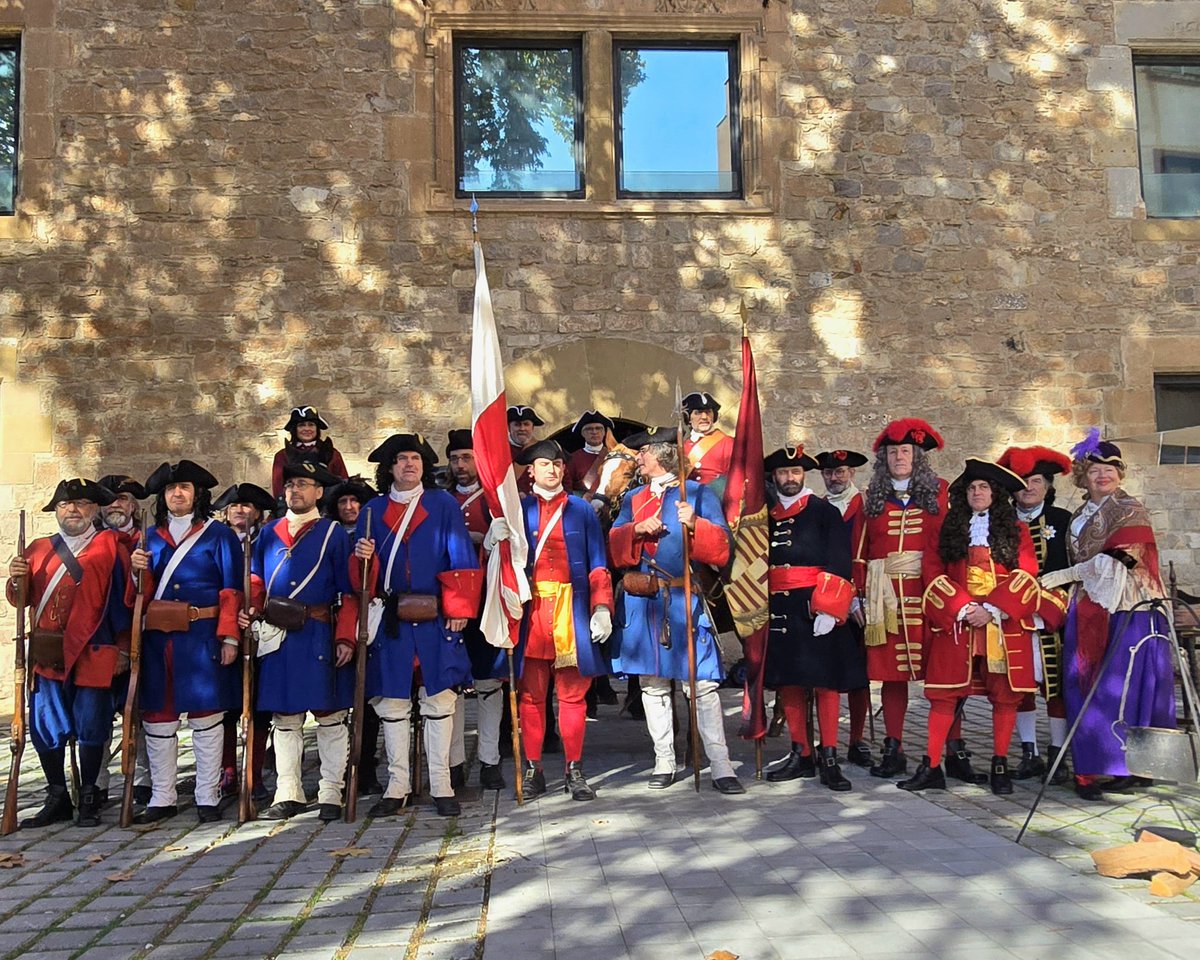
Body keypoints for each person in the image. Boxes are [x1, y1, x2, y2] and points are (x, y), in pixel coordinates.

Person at [608, 426, 744, 794]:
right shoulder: (633, 497)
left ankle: (721, 765)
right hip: (644, 600)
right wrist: (636, 529)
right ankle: (664, 760)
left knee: (701, 686)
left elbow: (722, 550)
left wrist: (695, 524)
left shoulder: (696, 494)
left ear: (663, 455)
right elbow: (615, 544)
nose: (639, 459)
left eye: (644, 453)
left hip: (684, 599)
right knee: (652, 685)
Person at [1040, 434, 1175, 802]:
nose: (1103, 476)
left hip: (1128, 608)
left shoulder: (1129, 509)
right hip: (1088, 608)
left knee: (1128, 686)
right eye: (1095, 470)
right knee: (1084, 684)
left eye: (1110, 470)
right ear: (1082, 476)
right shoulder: (1079, 517)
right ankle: (1094, 765)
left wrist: (1068, 575)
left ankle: (1137, 766)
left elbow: (1127, 559)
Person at [352, 433, 481, 817]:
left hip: (437, 615)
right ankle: (398, 785)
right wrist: (364, 558)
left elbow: (460, 556)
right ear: (389, 468)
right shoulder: (371, 511)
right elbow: (361, 580)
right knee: (391, 701)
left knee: (440, 698)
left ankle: (441, 784)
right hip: (392, 619)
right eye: (402, 459)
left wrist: (459, 606)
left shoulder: (442, 504)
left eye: (415, 459)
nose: (410, 464)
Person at [900, 459, 1040, 795]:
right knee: (943, 696)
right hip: (958, 623)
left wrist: (992, 609)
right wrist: (963, 607)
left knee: (1005, 698)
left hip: (1001, 624)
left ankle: (999, 766)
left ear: (996, 494)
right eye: (972, 488)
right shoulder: (946, 528)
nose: (977, 492)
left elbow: (1027, 574)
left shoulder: (1017, 531)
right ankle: (932, 765)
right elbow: (932, 574)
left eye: (984, 488)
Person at [486, 439, 613, 801]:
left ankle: (574, 768)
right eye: (545, 465)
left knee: (573, 697)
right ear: (531, 471)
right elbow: (502, 567)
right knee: (531, 697)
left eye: (558, 464)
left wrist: (601, 607)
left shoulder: (582, 511)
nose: (553, 470)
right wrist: (491, 544)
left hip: (571, 610)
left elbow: (597, 561)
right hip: (531, 612)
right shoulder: (518, 510)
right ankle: (533, 767)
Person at [6, 479, 132, 827]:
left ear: (94, 510)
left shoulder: (111, 547)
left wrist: (123, 649)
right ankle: (57, 794)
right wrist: (16, 579)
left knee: (92, 724)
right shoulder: (37, 549)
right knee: (44, 725)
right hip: (48, 653)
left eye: (79, 504)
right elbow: (21, 600)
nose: (72, 510)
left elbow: (126, 603)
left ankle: (89, 795)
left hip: (94, 650)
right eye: (64, 505)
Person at [242, 461, 357, 821]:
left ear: (318, 492)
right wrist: (250, 608)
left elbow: (349, 592)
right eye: (290, 484)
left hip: (319, 633)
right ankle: (288, 790)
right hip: (278, 636)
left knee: (329, 716)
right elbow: (257, 579)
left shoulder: (333, 534)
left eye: (304, 484)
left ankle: (330, 792)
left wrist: (345, 638)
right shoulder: (268, 532)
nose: (295, 490)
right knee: (285, 717)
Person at [130, 460, 243, 823]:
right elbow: (136, 598)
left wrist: (229, 636)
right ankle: (162, 796)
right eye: (171, 489)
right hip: (157, 641)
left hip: (201, 638)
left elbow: (231, 591)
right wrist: (135, 572)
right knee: (159, 719)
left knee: (206, 717)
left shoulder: (219, 535)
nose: (177, 494)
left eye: (185, 488)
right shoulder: (147, 538)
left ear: (197, 495)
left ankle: (207, 795)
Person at [762, 446, 865, 792]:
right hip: (779, 607)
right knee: (789, 682)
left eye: (795, 472)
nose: (789, 479)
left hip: (815, 606)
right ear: (774, 477)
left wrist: (829, 608)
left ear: (804, 475)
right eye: (783, 473)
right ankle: (801, 753)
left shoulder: (824, 512)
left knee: (826, 683)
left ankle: (830, 756)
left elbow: (839, 561)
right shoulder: (767, 515)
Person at [854, 418, 952, 779]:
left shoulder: (940, 492)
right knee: (891, 677)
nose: (899, 457)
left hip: (929, 597)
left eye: (906, 451)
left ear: (917, 456)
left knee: (943, 679)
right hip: (884, 599)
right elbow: (860, 551)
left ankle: (948, 750)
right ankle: (893, 747)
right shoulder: (873, 498)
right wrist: (859, 596)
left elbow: (949, 545)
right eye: (893, 452)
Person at [997, 445, 1075, 783]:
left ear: (1048, 486)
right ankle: (1029, 752)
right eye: (1023, 481)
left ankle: (1058, 754)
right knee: (1020, 684)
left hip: (1053, 613)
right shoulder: (1001, 522)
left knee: (1055, 687)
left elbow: (1074, 566)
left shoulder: (1062, 520)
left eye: (1037, 481)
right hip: (1013, 614)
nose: (1029, 487)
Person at [444, 429, 506, 791]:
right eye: (455, 459)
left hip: (487, 599)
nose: (460, 465)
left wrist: (489, 540)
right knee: (450, 685)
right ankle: (452, 762)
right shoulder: (443, 499)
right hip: (452, 602)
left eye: (466, 458)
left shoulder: (495, 500)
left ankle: (490, 760)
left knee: (488, 683)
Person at [212, 481, 277, 801]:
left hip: (260, 632)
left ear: (259, 512)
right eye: (235, 506)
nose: (240, 510)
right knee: (226, 707)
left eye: (247, 506)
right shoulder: (215, 540)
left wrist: (257, 610)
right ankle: (227, 771)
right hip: (222, 632)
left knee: (258, 708)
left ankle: (254, 771)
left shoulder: (269, 539)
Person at [324, 475, 382, 793]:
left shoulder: (373, 535)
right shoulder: (330, 536)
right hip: (332, 620)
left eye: (355, 501)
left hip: (368, 621)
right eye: (344, 501)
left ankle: (366, 766)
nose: (349, 507)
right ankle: (336, 769)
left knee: (367, 701)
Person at [815, 448, 873, 767]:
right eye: (828, 473)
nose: (834, 478)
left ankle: (857, 739)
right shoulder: (818, 508)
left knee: (859, 675)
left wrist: (861, 596)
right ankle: (827, 742)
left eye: (840, 472)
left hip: (860, 599)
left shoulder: (865, 506)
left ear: (851, 474)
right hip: (828, 599)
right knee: (829, 672)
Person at [96, 473, 150, 806]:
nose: (118, 504)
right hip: (99, 639)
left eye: (125, 499)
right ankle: (97, 783)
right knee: (97, 715)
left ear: (134, 505)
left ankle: (143, 779)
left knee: (141, 712)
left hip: (140, 637)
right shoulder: (90, 543)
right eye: (111, 499)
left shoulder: (147, 541)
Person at [270, 405, 349, 499]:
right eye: (301, 425)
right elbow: (278, 487)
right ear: (294, 429)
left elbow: (344, 483)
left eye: (311, 425)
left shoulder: (332, 453)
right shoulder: (282, 456)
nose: (307, 429)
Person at [681, 392, 733, 499]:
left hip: (716, 498)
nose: (704, 417)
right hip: (688, 498)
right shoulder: (682, 447)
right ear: (688, 418)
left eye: (708, 412)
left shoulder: (729, 443)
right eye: (698, 413)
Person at [565, 410, 616, 500]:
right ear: (582, 433)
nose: (594, 432)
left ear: (604, 433)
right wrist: (581, 497)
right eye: (589, 429)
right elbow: (566, 488)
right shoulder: (572, 459)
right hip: (584, 506)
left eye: (598, 428)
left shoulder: (615, 456)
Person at [507, 405, 544, 496]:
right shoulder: (501, 452)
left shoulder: (543, 449)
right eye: (517, 424)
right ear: (508, 427)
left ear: (532, 428)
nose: (522, 429)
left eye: (526, 424)